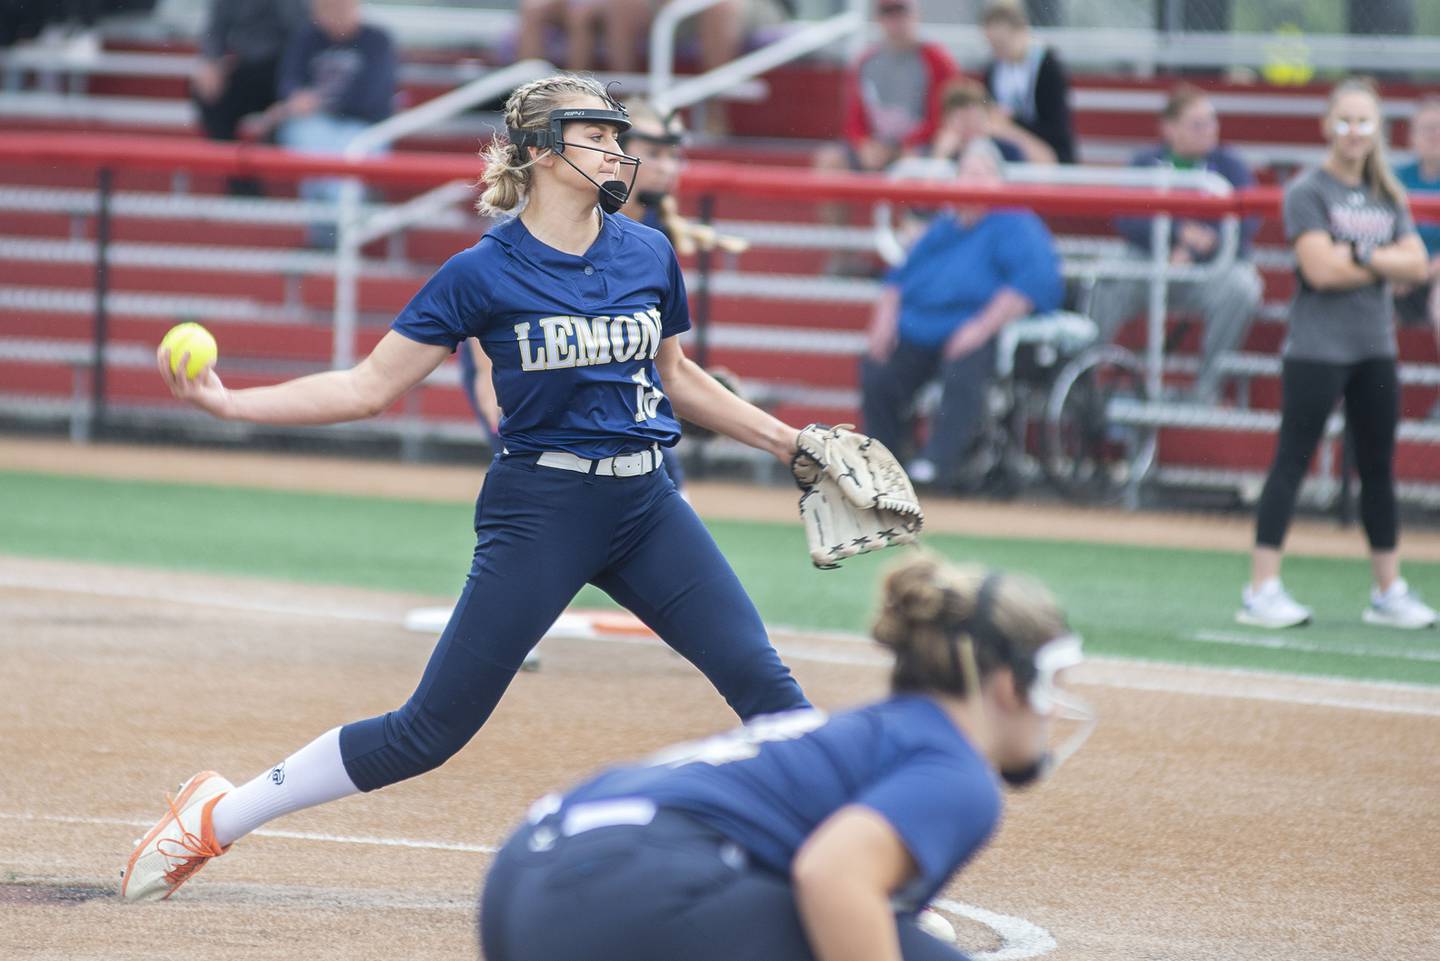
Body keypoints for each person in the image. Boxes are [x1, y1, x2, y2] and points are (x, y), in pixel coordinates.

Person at [121, 73, 814, 902]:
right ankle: (214, 817)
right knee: (428, 731)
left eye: (614, 134)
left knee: (771, 690)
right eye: (593, 134)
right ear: (538, 152)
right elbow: (366, 388)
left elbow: (677, 377)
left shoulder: (648, 250)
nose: (616, 149)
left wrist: (793, 443)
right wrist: (229, 403)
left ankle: (839, 867)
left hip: (647, 504)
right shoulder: (480, 272)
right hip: (542, 510)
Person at [478, 553, 1093, 961]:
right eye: (1051, 681)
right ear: (1011, 685)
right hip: (621, 888)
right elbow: (834, 874)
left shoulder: (867, 733)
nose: (1054, 705)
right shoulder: (956, 771)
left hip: (526, 873)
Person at [1239, 77, 1438, 631]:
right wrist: (1381, 259)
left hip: (1376, 347)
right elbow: (1320, 272)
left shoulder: (1389, 193)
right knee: (1291, 462)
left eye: (1365, 121)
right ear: (1327, 125)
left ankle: (1388, 590)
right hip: (1317, 349)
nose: (1354, 132)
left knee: (1378, 468)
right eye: (1345, 121)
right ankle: (1261, 588)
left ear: (1379, 129)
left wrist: (1355, 251)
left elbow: (1417, 265)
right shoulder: (1308, 190)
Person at [861, 141, 1063, 491]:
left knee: (965, 368)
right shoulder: (944, 227)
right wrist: (883, 323)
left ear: (1000, 181)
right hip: (920, 328)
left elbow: (1031, 284)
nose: (973, 180)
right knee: (878, 370)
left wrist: (980, 328)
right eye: (966, 172)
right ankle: (884, 463)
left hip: (979, 329)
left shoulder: (1016, 223)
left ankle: (938, 464)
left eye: (982, 173)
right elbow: (897, 281)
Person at [1090, 84, 1263, 403]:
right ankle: (1087, 381)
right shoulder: (1145, 162)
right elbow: (1125, 216)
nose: (1208, 131)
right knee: (1107, 278)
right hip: (1150, 265)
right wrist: (1176, 234)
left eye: (1212, 122)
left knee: (1243, 288)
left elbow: (1249, 220)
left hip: (1206, 272)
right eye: (1198, 124)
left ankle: (1205, 389)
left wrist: (1197, 249)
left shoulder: (1230, 165)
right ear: (1169, 128)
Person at [814, 0, 957, 272]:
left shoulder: (937, 60)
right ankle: (841, 255)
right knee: (830, 161)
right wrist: (864, 144)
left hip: (918, 149)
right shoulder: (866, 61)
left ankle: (915, 262)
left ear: (915, 14)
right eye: (886, 12)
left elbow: (942, 118)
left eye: (900, 10)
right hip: (878, 147)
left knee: (915, 166)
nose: (894, 20)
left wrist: (900, 148)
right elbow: (855, 120)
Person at [245, 0, 398, 246]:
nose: (333, 15)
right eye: (326, 9)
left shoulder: (377, 40)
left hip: (361, 126)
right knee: (312, 145)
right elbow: (290, 83)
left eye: (339, 8)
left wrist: (318, 101)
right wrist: (298, 102)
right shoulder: (307, 37)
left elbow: (372, 98)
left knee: (345, 153)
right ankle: (335, 232)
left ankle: (334, 235)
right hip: (315, 125)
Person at [192, 0, 307, 197]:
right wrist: (211, 63)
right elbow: (215, 32)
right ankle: (239, 179)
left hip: (287, 72)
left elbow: (304, 36)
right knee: (208, 95)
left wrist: (293, 90)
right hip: (246, 67)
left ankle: (273, 160)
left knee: (292, 109)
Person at [979, 1, 1076, 165]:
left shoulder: (1047, 67)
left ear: (1021, 31)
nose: (999, 51)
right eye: (994, 46)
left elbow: (1056, 129)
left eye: (1002, 44)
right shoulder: (994, 69)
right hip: (1006, 149)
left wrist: (1012, 122)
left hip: (1048, 152)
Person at [1392, 94, 1440, 348]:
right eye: (1426, 129)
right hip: (1401, 274)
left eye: (1439, 128)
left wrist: (1422, 271)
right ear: (1412, 137)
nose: (1434, 135)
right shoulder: (1394, 178)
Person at [928, 77, 1055, 166]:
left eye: (974, 117)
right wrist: (940, 154)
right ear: (947, 121)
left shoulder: (1006, 149)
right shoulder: (938, 150)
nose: (969, 125)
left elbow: (1047, 162)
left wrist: (1004, 131)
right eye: (961, 119)